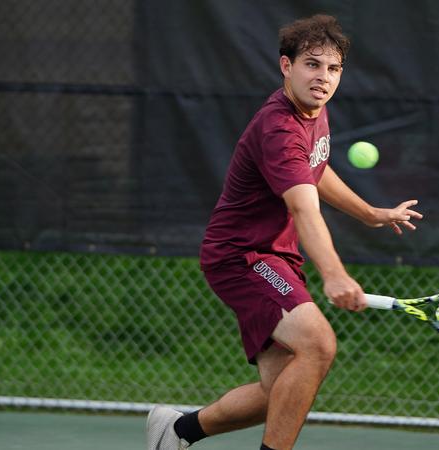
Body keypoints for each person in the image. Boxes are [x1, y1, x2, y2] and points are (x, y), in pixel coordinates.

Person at [147, 14, 422, 450]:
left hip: (274, 255)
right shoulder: (279, 128)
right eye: (312, 64)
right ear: (286, 66)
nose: (323, 77)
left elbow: (315, 167)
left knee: (281, 391)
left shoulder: (314, 111)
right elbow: (303, 206)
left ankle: (177, 431)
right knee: (318, 344)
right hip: (243, 256)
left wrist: (369, 213)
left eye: (333, 68)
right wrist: (334, 274)